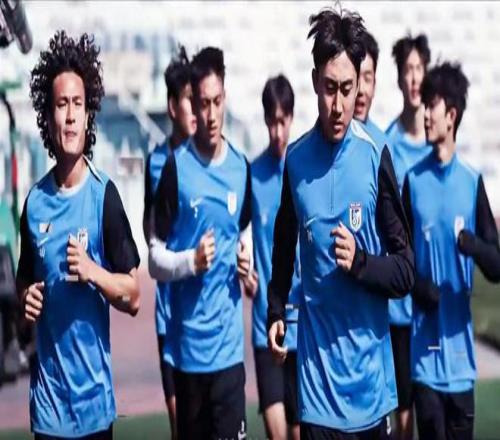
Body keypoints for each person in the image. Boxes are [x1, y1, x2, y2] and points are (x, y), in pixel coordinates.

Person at [267, 7, 415, 439]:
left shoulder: (375, 154)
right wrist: (276, 312)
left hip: (370, 391)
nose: (337, 105)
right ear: (315, 81)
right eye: (329, 88)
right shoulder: (296, 161)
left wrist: (361, 263)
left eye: (347, 90)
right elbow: (283, 248)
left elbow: (405, 269)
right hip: (317, 392)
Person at [17, 31, 141, 439]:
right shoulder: (35, 203)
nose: (70, 115)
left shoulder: (105, 196)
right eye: (61, 105)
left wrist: (93, 272)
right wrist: (26, 299)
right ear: (47, 116)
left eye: (77, 104)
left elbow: (133, 297)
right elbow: (23, 285)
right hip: (48, 411)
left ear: (88, 115)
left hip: (93, 411)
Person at [150, 46, 251, 440]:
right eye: (203, 103)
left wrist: (247, 260)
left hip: (229, 353)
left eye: (217, 102)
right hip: (189, 355)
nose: (210, 114)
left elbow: (243, 230)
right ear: (192, 103)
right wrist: (191, 261)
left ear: (225, 97)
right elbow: (154, 258)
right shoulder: (176, 168)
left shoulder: (240, 167)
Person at [403, 62, 500, 440]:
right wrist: (418, 287)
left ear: (452, 115)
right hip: (425, 361)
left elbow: (497, 267)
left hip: (461, 364)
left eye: (433, 106)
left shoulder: (472, 183)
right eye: (425, 105)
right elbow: (399, 261)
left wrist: (474, 246)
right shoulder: (413, 182)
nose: (426, 114)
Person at [142, 45, 196, 440]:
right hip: (168, 313)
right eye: (189, 100)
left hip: (203, 310)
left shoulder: (211, 159)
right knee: (180, 421)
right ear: (173, 106)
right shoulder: (156, 162)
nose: (197, 109)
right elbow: (150, 230)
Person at [244, 74, 300, 440]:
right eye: (271, 122)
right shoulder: (253, 174)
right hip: (266, 325)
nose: (277, 132)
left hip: (302, 325)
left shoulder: (303, 170)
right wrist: (244, 269)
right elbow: (234, 231)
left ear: (291, 118)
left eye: (283, 121)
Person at [385, 33, 433, 440]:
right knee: (403, 415)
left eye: (419, 68)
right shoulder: (389, 144)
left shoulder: (439, 143)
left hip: (432, 305)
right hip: (400, 309)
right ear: (399, 78)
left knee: (434, 410)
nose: (414, 78)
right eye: (408, 70)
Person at [353, 30, 389, 150]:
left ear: (374, 85)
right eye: (355, 78)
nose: (360, 90)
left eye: (367, 79)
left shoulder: (382, 146)